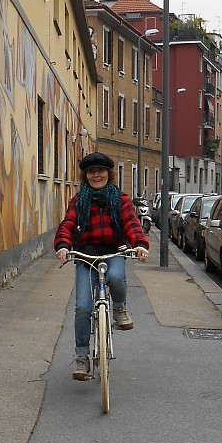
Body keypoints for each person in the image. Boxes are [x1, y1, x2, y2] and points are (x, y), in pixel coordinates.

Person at [55, 152, 149, 380]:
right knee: (83, 308)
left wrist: (139, 244)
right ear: (85, 176)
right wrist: (63, 245)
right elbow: (68, 224)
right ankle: (81, 358)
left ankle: (118, 308)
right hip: (86, 256)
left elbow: (131, 224)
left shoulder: (120, 199)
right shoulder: (79, 200)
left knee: (116, 277)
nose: (96, 175)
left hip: (113, 251)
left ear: (109, 173)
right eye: (91, 172)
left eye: (101, 171)